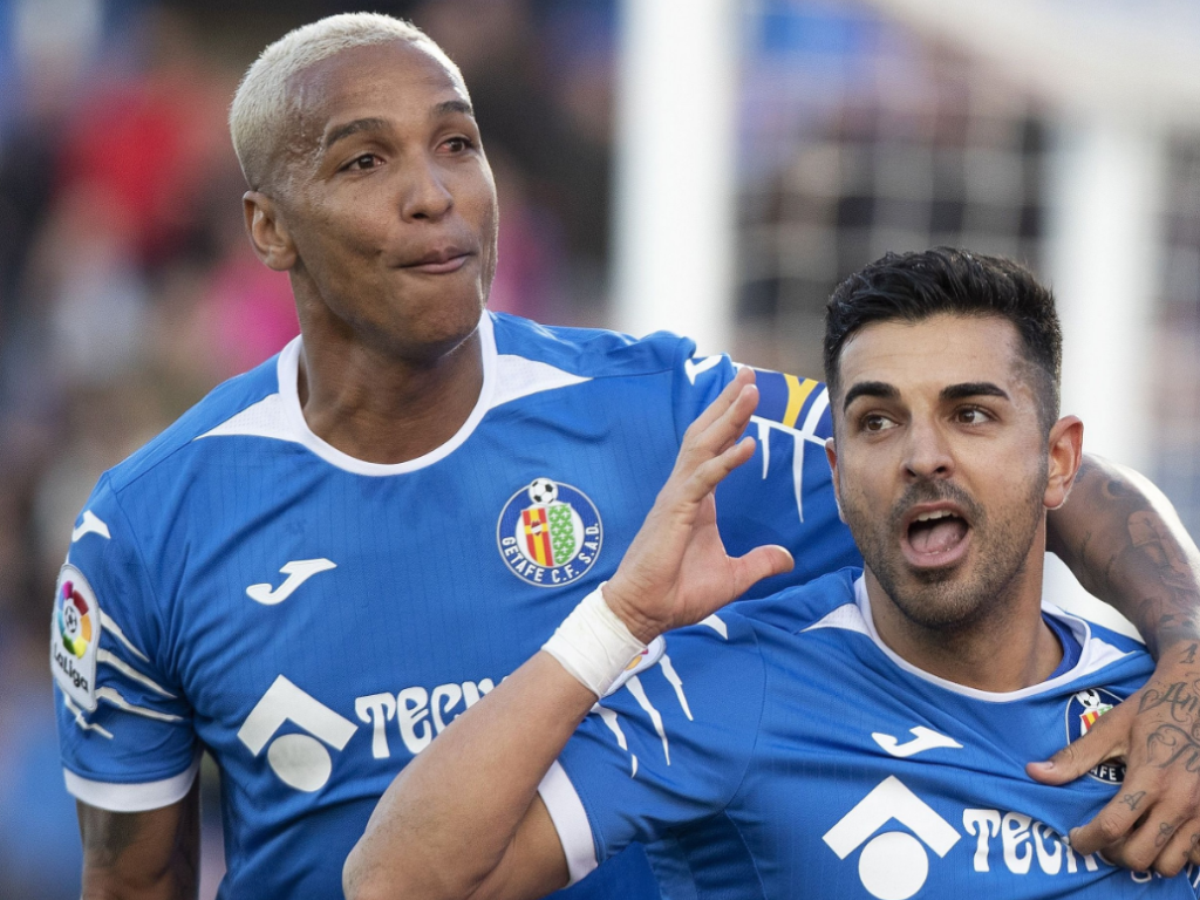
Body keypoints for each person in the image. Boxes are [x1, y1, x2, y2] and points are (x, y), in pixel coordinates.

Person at [49, 12, 1199, 898]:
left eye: (458, 144)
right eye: (364, 162)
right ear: (267, 226)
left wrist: (1192, 652)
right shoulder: (145, 530)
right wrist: (615, 620)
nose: (432, 194)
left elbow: (1036, 481)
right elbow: (135, 879)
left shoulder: (660, 412)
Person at [343, 249, 1200, 899]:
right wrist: (620, 619)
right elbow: (393, 883)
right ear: (835, 470)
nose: (922, 456)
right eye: (877, 422)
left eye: (970, 414)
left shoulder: (1164, 712)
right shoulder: (732, 687)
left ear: (1059, 462)